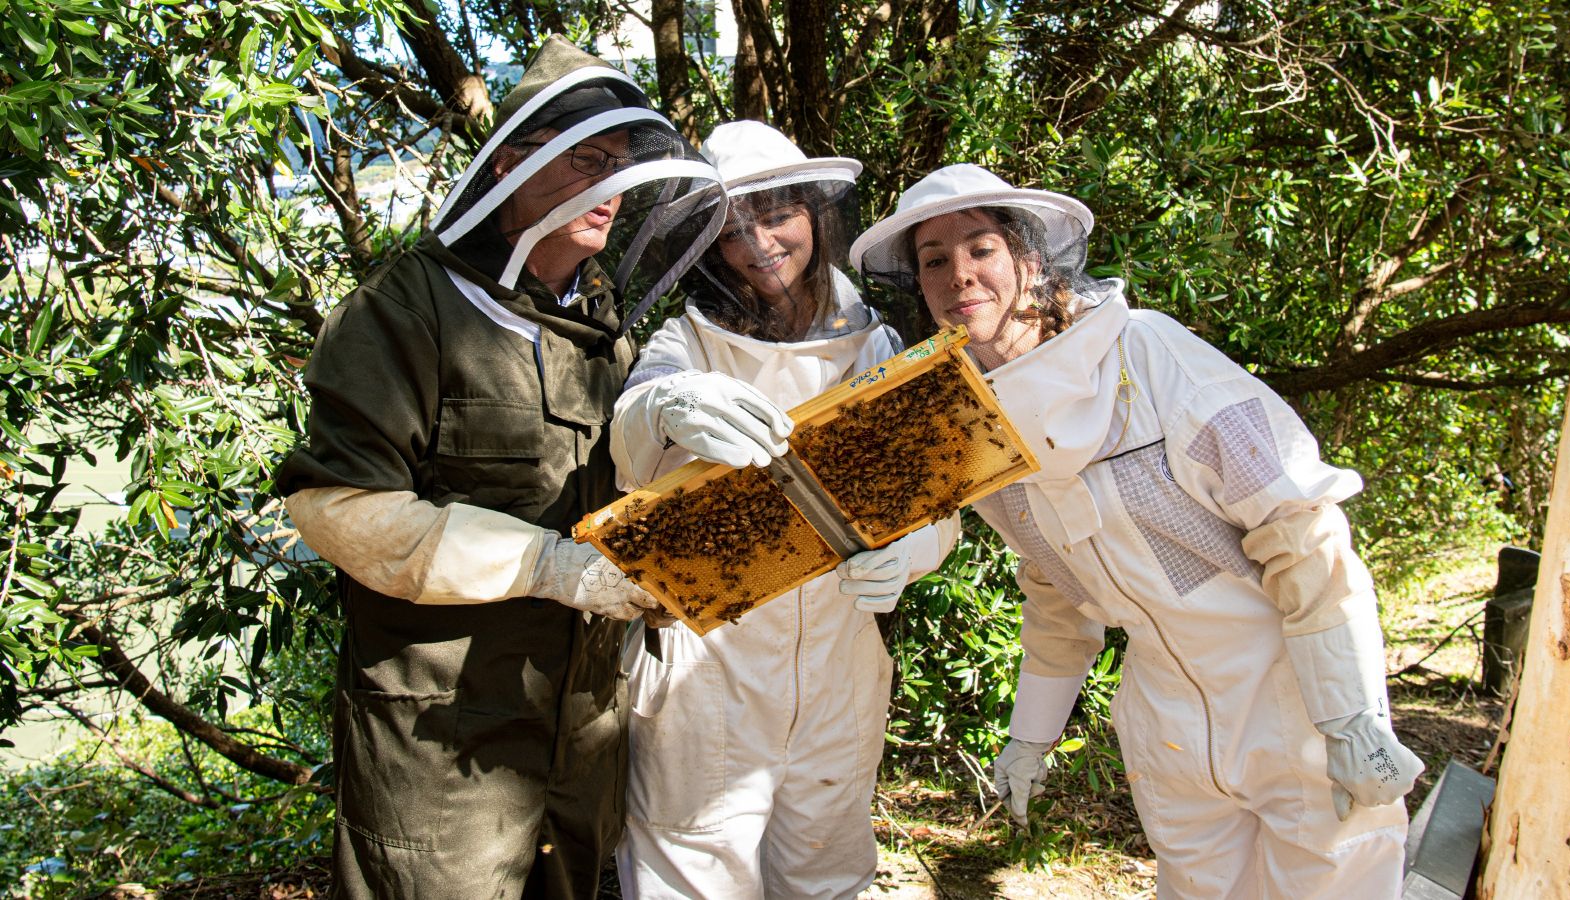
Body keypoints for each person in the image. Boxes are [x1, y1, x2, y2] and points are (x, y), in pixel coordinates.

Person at [850, 164, 1425, 898]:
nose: (959, 274)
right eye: (934, 260)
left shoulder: (1151, 357)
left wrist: (1347, 711)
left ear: (1031, 260)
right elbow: (1055, 591)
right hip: (1164, 713)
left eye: (981, 248)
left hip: (1288, 690)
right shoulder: (977, 422)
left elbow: (1300, 529)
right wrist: (1031, 735)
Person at [273, 36, 726, 899]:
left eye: (622, 167)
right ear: (513, 162)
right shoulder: (405, 308)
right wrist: (547, 566)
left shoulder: (605, 329)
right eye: (589, 160)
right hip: (442, 748)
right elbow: (336, 508)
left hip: (581, 738)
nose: (612, 188)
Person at [608, 121, 959, 899]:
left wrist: (910, 553)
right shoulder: (686, 341)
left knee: (826, 871)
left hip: (840, 661)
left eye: (775, 216)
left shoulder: (874, 346)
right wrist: (667, 404)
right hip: (708, 669)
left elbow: (936, 499)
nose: (758, 244)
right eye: (733, 230)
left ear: (815, 214)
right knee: (692, 874)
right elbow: (627, 440)